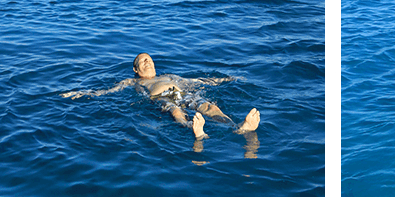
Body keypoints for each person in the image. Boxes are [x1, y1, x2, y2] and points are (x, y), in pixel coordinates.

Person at [62, 52, 260, 139]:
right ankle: (194, 129)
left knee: (210, 107)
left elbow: (197, 81)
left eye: (149, 59)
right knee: (175, 111)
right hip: (162, 98)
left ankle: (237, 128)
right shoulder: (132, 82)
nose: (147, 62)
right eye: (142, 61)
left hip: (182, 93)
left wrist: (225, 80)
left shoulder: (169, 75)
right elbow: (106, 92)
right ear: (136, 69)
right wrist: (81, 93)